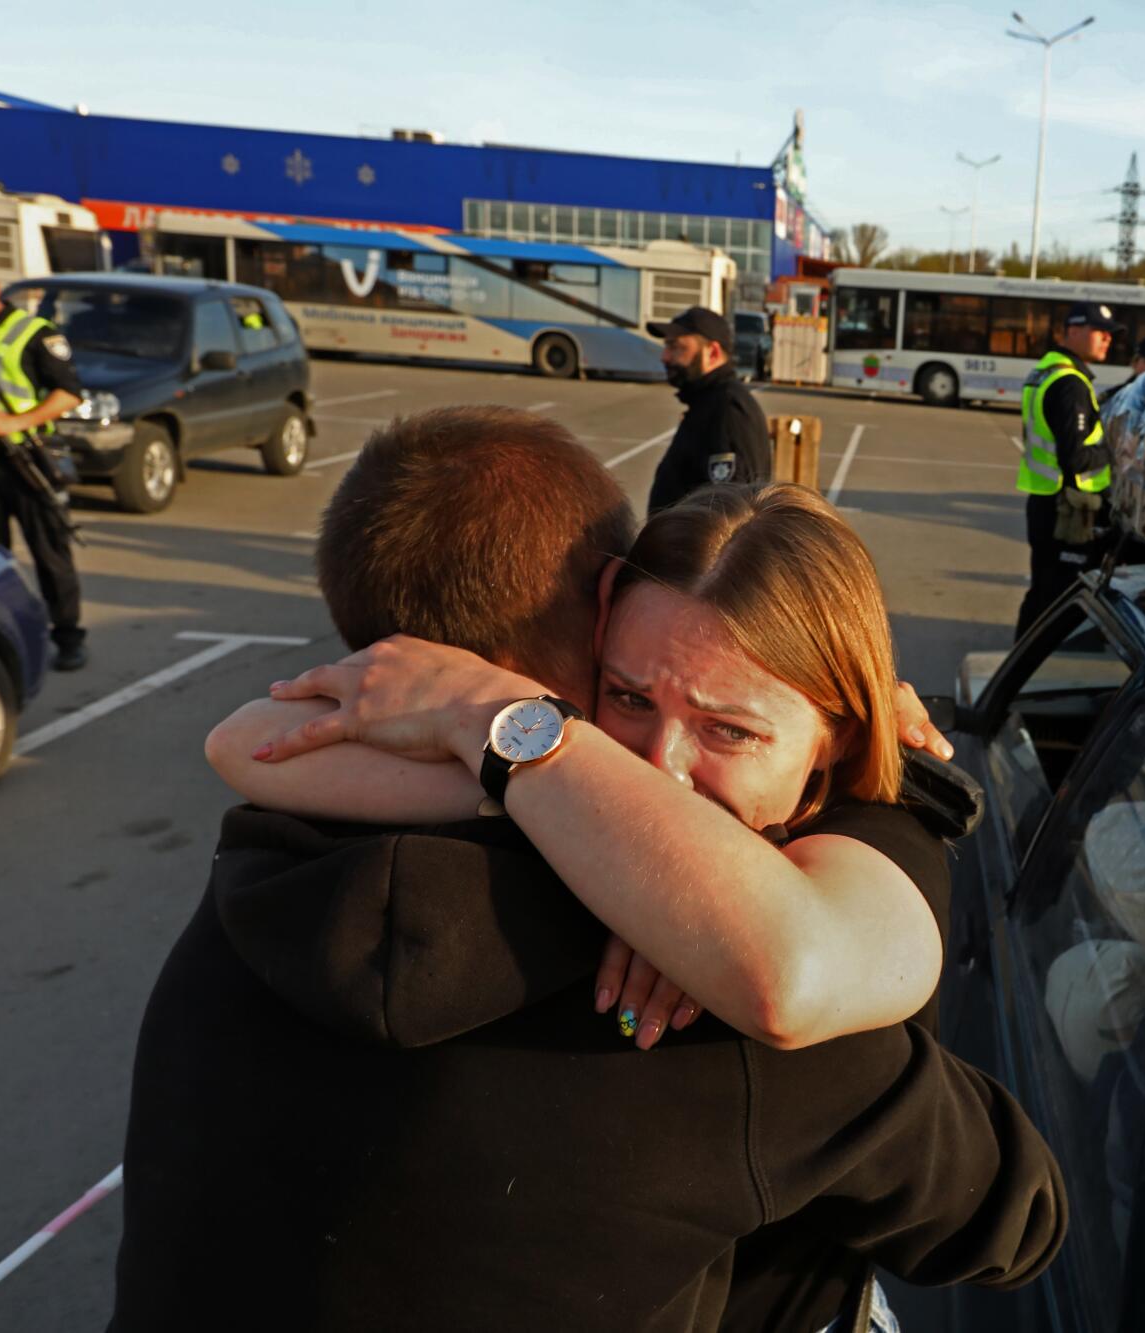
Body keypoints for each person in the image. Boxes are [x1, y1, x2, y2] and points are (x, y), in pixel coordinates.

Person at [114, 409, 1065, 1331]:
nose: (657, 775)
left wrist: (509, 732)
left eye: (729, 729)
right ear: (602, 607)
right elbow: (1014, 1218)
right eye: (623, 699)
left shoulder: (254, 882)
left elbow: (245, 738)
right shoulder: (712, 1004)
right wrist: (881, 805)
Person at [0, 254, 87, 669]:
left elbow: (69, 394)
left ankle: (67, 637)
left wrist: (14, 421)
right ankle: (3, 640)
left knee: (50, 555)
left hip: (25, 460)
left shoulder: (33, 333)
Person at [1015, 300, 1120, 638]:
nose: (1107, 339)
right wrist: (1111, 452)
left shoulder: (1044, 371)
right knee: (1058, 599)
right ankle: (1035, 677)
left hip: (1045, 501)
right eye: (1099, 332)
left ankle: (1021, 667)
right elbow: (1074, 459)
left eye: (1109, 334)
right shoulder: (1069, 384)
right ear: (1072, 331)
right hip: (1066, 512)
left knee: (1042, 593)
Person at [645, 305, 770, 513]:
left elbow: (730, 513)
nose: (665, 357)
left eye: (676, 347)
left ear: (712, 353)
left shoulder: (727, 410)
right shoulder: (706, 402)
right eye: (667, 346)